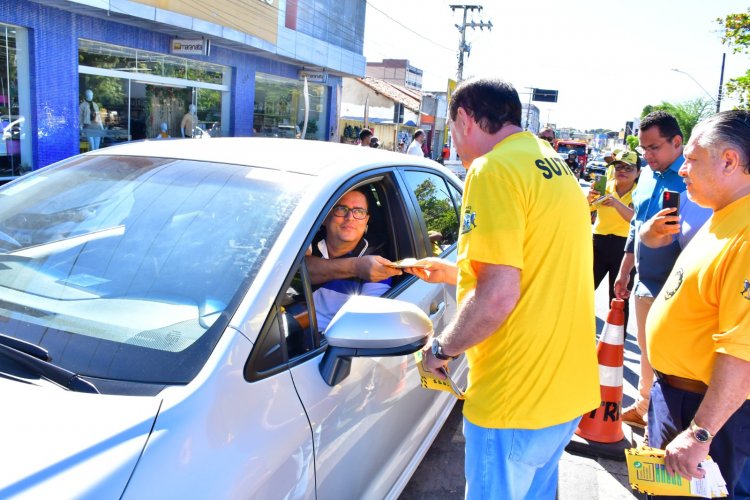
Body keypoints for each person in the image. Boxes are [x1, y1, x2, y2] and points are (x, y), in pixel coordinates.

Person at [408, 78, 599, 499]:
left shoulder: (492, 169)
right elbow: (535, 271)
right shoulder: (552, 164)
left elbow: (497, 297)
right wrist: (457, 272)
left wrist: (441, 349)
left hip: (516, 396)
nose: (455, 143)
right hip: (564, 390)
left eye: (453, 130)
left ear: (464, 118)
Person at [644, 110, 750, 499]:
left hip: (709, 412)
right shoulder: (722, 215)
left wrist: (700, 431)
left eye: (692, 158)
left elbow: (742, 351)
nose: (683, 168)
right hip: (680, 398)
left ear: (729, 161)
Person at [613, 111, 692, 429]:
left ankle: (663, 421)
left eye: (654, 147)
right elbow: (636, 223)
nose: (648, 155)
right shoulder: (646, 174)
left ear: (677, 142)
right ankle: (644, 406)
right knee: (646, 349)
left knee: (670, 362)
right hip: (645, 283)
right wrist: (624, 270)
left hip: (679, 288)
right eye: (644, 149)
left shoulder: (693, 177)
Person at [306, 189, 394, 330]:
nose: (350, 217)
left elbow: (365, 327)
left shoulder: (377, 264)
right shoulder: (305, 241)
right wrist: (356, 267)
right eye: (342, 209)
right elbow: (296, 270)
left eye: (359, 211)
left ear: (366, 221)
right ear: (326, 217)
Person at [587, 150, 640, 327]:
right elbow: (586, 211)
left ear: (638, 172)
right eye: (618, 167)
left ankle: (617, 342)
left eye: (628, 167)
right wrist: (588, 200)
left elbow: (636, 219)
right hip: (598, 243)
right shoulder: (604, 186)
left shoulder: (640, 192)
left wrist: (616, 203)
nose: (622, 171)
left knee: (618, 296)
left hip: (624, 248)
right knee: (583, 290)